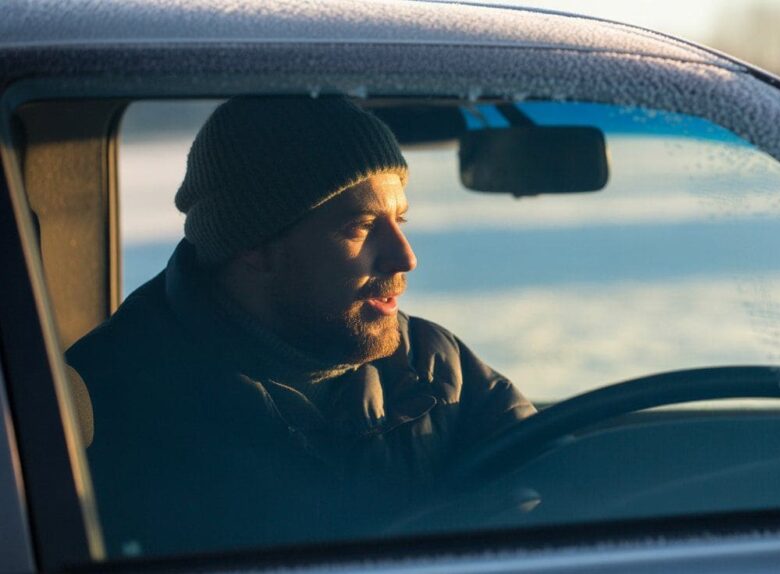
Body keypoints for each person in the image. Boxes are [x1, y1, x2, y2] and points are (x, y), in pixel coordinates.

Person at [65, 97, 536, 557]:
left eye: (400, 219)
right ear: (256, 245)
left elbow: (550, 481)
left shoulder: (433, 362)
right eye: (362, 226)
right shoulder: (104, 405)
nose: (405, 256)